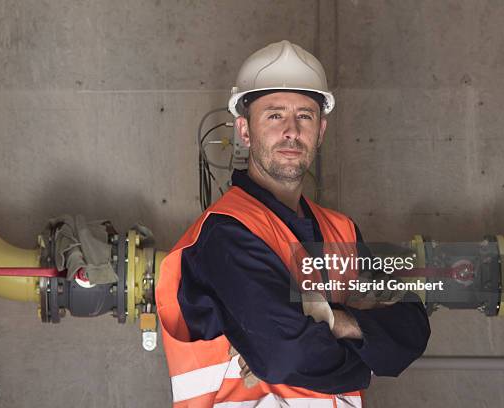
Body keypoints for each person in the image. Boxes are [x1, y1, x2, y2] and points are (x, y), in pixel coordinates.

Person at [156, 40, 431, 408]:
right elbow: (285, 354)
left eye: (305, 116)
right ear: (245, 131)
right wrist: (366, 360)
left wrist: (333, 323)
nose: (291, 130)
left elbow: (412, 328)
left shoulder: (341, 231)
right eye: (274, 115)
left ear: (320, 131)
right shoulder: (224, 234)